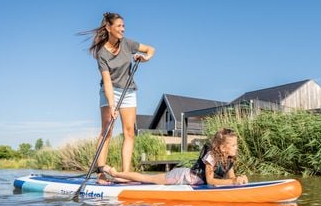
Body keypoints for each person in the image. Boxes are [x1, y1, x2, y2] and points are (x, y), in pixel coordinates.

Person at [80, 12, 155, 184]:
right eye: (119, 26)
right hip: (110, 91)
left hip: (129, 91)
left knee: (129, 132)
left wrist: (145, 58)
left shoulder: (127, 44)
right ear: (108, 28)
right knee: (107, 131)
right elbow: (107, 81)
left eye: (123, 25)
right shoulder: (101, 53)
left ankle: (125, 175)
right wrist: (112, 104)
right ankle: (101, 173)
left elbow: (151, 49)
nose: (123, 29)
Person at [101, 128, 248, 186]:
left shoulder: (229, 160)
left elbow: (231, 179)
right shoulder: (211, 156)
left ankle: (116, 179)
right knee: (147, 179)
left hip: (188, 179)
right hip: (181, 177)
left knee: (145, 181)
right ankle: (114, 174)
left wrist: (238, 180)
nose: (237, 147)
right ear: (222, 148)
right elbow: (210, 180)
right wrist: (233, 181)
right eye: (234, 145)